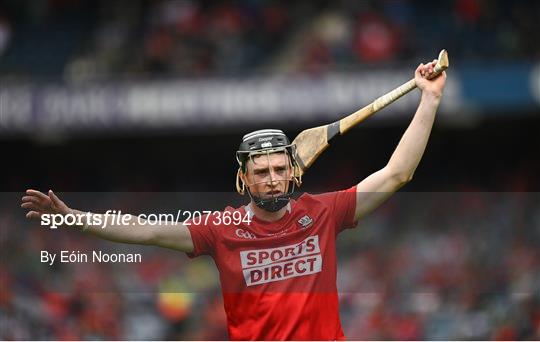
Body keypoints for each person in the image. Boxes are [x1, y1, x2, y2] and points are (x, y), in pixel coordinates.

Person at [21, 60, 446, 340]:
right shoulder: (221, 230)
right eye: (261, 173)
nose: (273, 179)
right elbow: (147, 229)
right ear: (244, 180)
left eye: (280, 170)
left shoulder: (323, 213)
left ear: (293, 172)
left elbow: (396, 173)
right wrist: (75, 218)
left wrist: (429, 99)